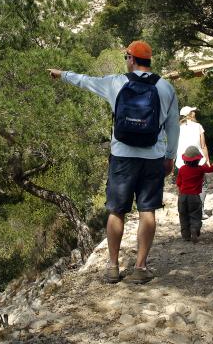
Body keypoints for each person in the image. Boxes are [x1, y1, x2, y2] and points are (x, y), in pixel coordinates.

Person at [47, 40, 179, 284]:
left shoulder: (116, 82)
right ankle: (140, 267)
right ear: (149, 60)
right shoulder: (166, 87)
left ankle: (112, 266)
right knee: (147, 211)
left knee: (116, 211)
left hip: (122, 156)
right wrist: (170, 157)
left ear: (130, 58)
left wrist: (62, 74)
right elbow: (172, 125)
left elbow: (85, 81)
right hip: (153, 157)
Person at [175, 106, 211, 218]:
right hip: (198, 161)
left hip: (182, 162)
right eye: (193, 111)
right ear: (191, 114)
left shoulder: (177, 128)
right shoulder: (198, 127)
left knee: (182, 185)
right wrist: (208, 160)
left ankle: (184, 210)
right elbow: (203, 145)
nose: (195, 112)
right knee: (202, 184)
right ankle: (200, 210)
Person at [176, 146, 213, 243]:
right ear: (198, 159)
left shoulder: (182, 169)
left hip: (183, 196)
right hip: (194, 197)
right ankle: (194, 229)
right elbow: (212, 169)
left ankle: (186, 235)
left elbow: (178, 184)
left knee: (183, 215)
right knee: (195, 215)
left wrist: (180, 195)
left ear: (185, 159)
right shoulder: (200, 169)